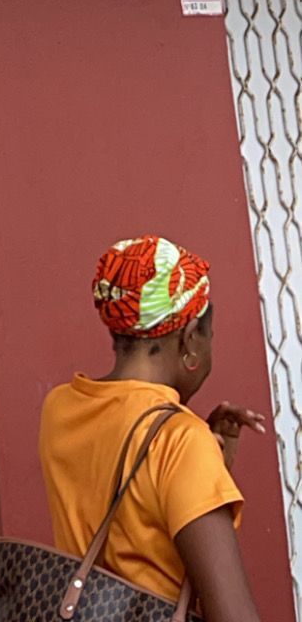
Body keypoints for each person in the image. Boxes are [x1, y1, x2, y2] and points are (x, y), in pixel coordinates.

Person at [39, 237, 265, 622]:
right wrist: (192, 447)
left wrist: (209, 461)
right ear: (191, 338)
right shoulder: (179, 442)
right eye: (209, 334)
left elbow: (123, 476)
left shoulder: (60, 407)